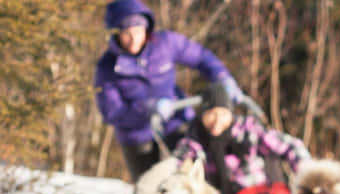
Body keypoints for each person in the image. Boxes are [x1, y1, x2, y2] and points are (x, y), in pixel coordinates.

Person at [94, 0, 247, 182]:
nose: (133, 38)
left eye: (137, 31)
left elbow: (200, 57)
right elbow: (112, 112)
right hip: (135, 133)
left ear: (146, 29)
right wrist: (146, 109)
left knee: (194, 170)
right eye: (126, 33)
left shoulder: (165, 43)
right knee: (148, 185)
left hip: (175, 116)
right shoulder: (106, 68)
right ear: (116, 34)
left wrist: (222, 77)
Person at [173, 83, 314, 194]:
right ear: (202, 115)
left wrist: (308, 174)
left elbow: (290, 145)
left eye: (223, 113)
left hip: (267, 187)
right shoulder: (195, 140)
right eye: (211, 114)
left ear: (230, 113)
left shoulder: (248, 130)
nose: (217, 120)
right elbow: (177, 162)